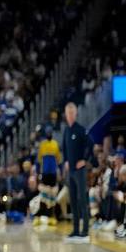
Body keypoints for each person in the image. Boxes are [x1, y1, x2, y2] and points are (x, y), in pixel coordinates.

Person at [62, 102, 92, 243]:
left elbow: (90, 145)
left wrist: (84, 160)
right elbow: (64, 148)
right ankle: (75, 229)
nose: (70, 115)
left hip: (80, 171)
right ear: (66, 114)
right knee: (73, 200)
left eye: (72, 113)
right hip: (71, 172)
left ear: (75, 114)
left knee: (82, 199)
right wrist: (66, 161)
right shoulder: (66, 131)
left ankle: (85, 231)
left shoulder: (80, 129)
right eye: (68, 113)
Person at [34, 126, 61, 226]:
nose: (49, 134)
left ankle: (52, 216)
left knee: (52, 195)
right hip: (45, 173)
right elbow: (38, 160)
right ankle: (39, 215)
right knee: (43, 194)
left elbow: (59, 160)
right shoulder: (42, 145)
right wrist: (37, 173)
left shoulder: (55, 144)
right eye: (48, 133)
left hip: (53, 173)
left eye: (50, 133)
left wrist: (60, 172)